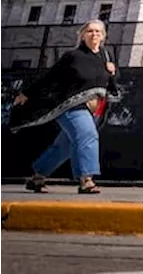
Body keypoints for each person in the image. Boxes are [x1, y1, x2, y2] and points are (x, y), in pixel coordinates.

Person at [10, 20, 117, 194]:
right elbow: (51, 77)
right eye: (90, 31)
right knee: (87, 135)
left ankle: (37, 177)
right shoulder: (73, 56)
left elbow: (109, 83)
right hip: (71, 105)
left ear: (103, 36)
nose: (94, 34)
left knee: (64, 146)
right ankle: (86, 180)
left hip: (95, 108)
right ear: (82, 35)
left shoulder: (106, 56)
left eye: (98, 31)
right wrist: (27, 93)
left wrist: (112, 72)